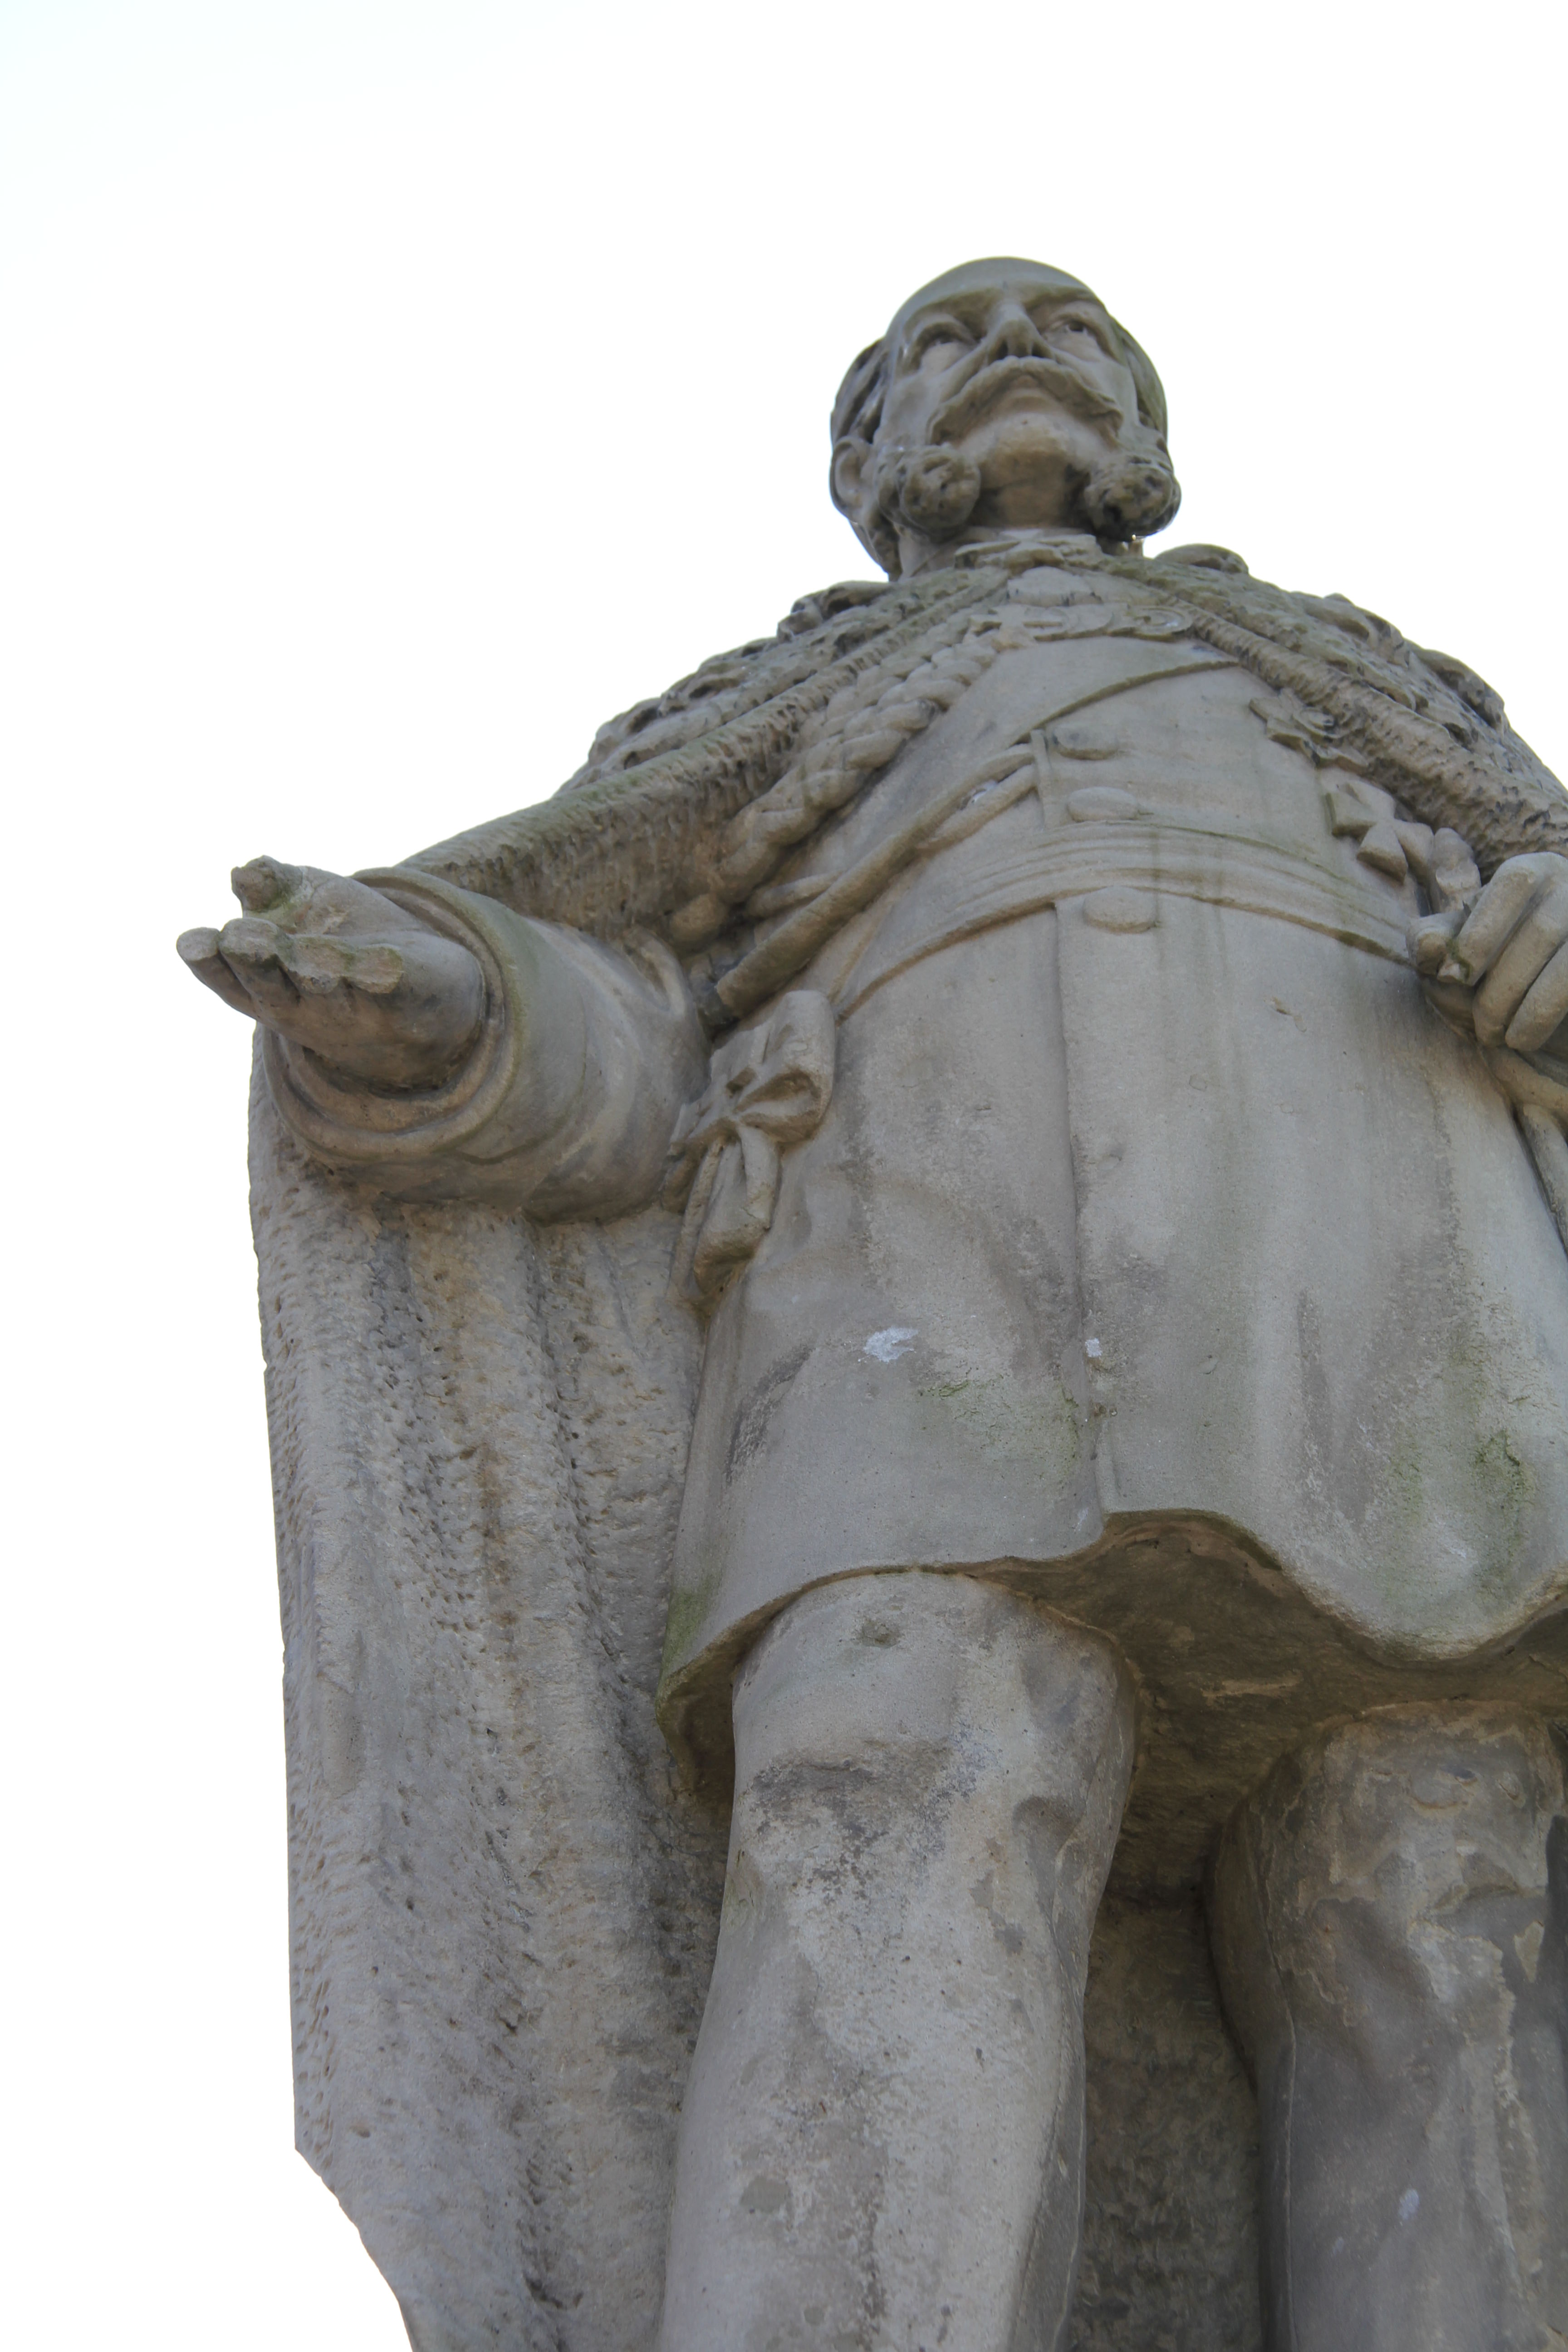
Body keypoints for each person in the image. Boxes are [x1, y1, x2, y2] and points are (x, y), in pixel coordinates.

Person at [181, 261, 1568, 2352]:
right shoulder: (761, 724)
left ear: (1153, 441)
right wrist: (458, 1013)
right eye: (948, 337)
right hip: (921, 1295)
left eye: (1075, 330)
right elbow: (644, 1035)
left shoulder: (1374, 691)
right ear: (866, 461)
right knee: (891, 1782)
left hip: (1392, 1296)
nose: (1019, 345)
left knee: (1434, 1889)